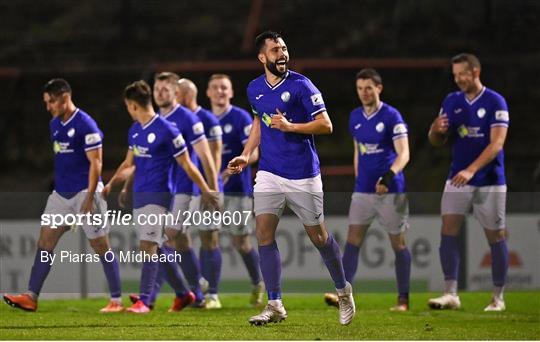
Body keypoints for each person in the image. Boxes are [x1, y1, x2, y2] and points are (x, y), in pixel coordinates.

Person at [228, 31, 355, 325]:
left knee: (319, 237)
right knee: (263, 234)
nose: (282, 53)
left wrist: (290, 126)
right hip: (270, 172)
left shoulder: (301, 85)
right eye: (275, 50)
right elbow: (259, 123)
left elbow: (326, 125)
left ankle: (343, 291)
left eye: (284, 48)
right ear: (262, 57)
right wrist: (247, 154)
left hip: (302, 174)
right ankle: (275, 304)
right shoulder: (254, 88)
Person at [3, 79, 123, 313]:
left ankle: (116, 301)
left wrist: (89, 199)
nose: (48, 106)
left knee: (100, 246)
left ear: (65, 97)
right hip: (60, 196)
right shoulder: (54, 125)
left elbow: (96, 164)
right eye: (46, 102)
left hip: (86, 193)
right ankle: (31, 296)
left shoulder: (86, 124)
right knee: (44, 242)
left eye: (52, 101)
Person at [103, 80, 217, 313]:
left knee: (148, 245)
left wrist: (206, 189)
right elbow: (128, 163)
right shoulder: (134, 131)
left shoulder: (167, 129)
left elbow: (187, 164)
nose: (128, 110)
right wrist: (113, 184)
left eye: (127, 106)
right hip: (140, 196)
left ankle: (145, 300)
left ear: (133, 105)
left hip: (162, 195)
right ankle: (184, 294)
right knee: (160, 247)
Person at [323, 69, 411, 311]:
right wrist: (358, 178)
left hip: (391, 191)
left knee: (398, 244)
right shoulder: (355, 116)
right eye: (360, 88)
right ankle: (343, 294)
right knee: (353, 241)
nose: (364, 92)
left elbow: (404, 153)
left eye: (368, 88)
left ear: (379, 88)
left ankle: (403, 300)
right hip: (363, 191)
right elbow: (358, 150)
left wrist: (389, 176)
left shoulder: (392, 116)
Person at [427, 53, 510, 311]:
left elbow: (497, 144)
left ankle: (498, 298)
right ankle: (450, 293)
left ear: (475, 71)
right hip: (457, 177)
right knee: (448, 230)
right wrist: (435, 130)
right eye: (455, 76)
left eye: (462, 74)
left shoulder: (495, 101)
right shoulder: (451, 101)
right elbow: (435, 140)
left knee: (495, 237)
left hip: (489, 180)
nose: (458, 79)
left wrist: (472, 170)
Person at [202, 74, 265, 307]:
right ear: (207, 92)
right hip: (209, 191)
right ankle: (212, 295)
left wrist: (230, 170)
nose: (220, 91)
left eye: (224, 88)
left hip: (237, 191)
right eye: (215, 87)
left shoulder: (240, 118)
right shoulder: (202, 119)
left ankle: (258, 281)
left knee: (241, 242)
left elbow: (255, 152)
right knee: (209, 238)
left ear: (230, 92)